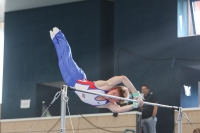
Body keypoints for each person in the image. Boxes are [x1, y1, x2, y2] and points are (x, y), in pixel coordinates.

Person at [49, 27, 143, 113]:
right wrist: (136, 94)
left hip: (70, 84)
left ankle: (55, 41)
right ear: (113, 88)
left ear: (117, 101)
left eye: (115, 98)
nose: (112, 96)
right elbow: (123, 78)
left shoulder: (108, 104)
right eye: (114, 93)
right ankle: (59, 35)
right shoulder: (105, 86)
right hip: (77, 77)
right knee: (66, 58)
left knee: (61, 61)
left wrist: (134, 105)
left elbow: (118, 109)